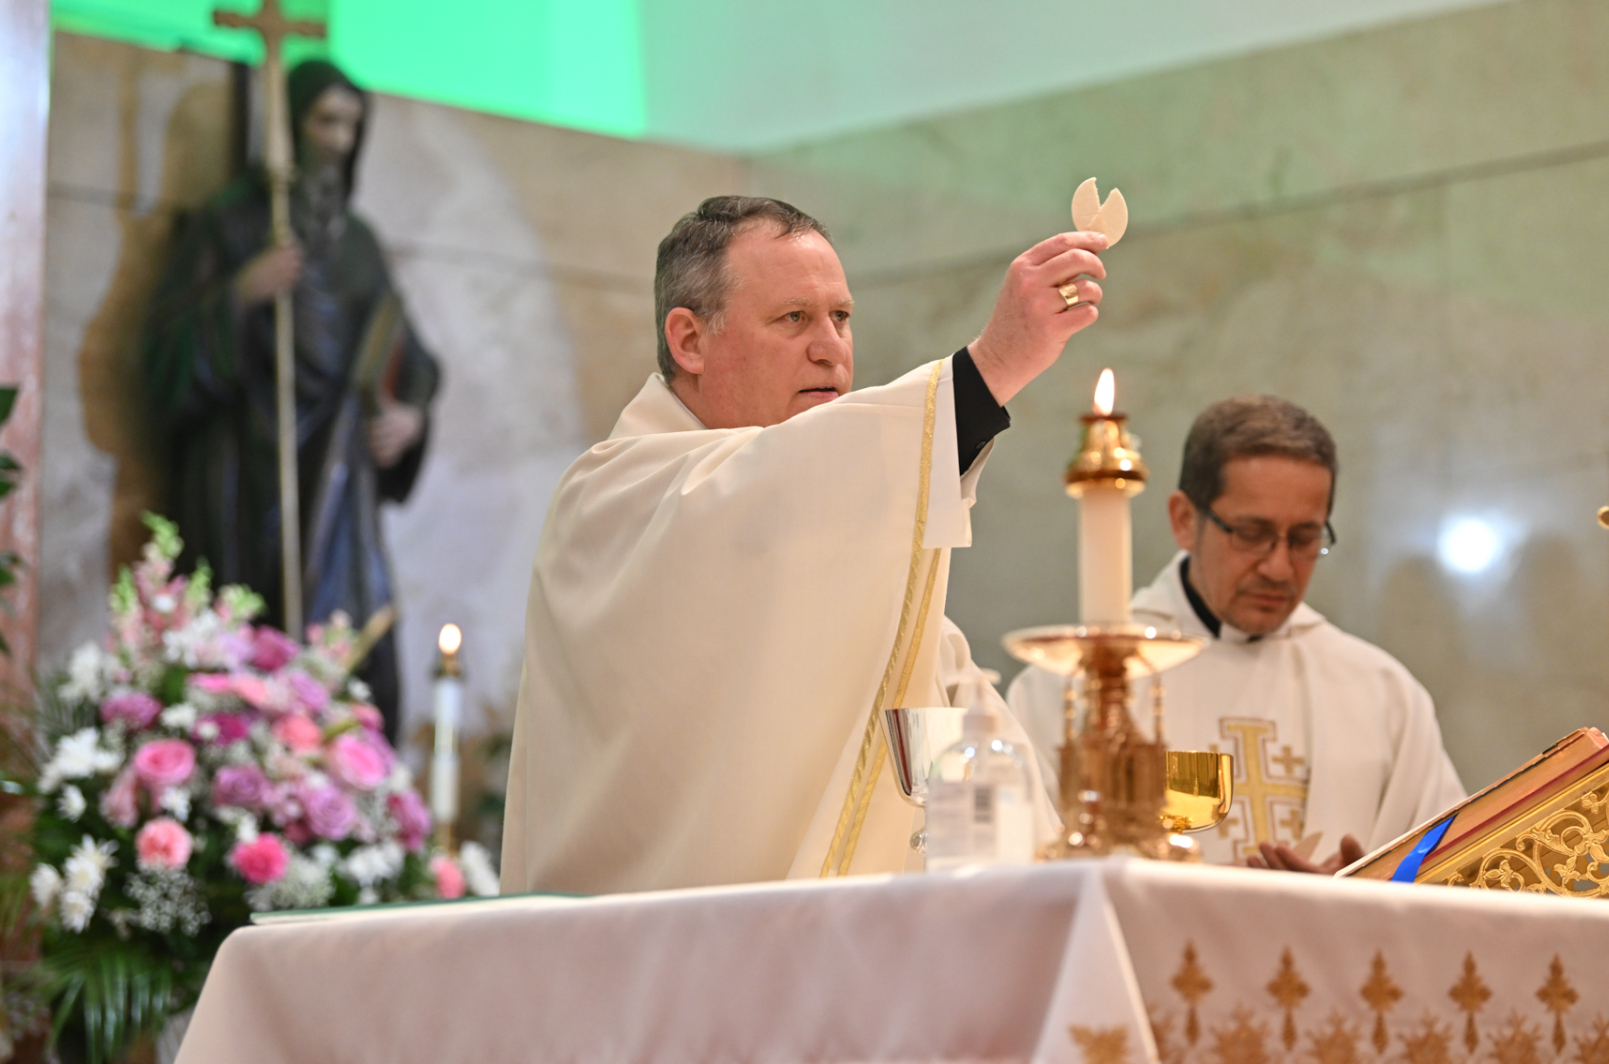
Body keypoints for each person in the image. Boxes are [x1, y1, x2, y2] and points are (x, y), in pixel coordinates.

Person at [501, 197, 1103, 895]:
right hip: (659, 946)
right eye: (793, 319)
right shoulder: (614, 499)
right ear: (690, 341)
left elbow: (980, 775)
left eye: (840, 317)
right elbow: (761, 502)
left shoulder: (848, 559)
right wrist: (990, 366)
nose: (830, 348)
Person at [1009, 395, 1464, 872]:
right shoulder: (1064, 688)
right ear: (1185, 520)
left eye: (1304, 539)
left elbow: (1453, 873)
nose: (1279, 567)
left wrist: (1367, 890)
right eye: (1251, 533)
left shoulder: (1383, 694)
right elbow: (1021, 878)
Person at [144, 60, 439, 741]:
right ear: (290, 126)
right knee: (248, 641)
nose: (338, 140)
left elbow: (409, 358)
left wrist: (409, 419)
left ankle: (342, 778)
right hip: (248, 470)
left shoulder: (358, 244)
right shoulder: (232, 222)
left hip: (337, 479)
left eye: (351, 126)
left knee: (352, 653)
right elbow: (161, 353)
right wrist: (241, 292)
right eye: (325, 121)